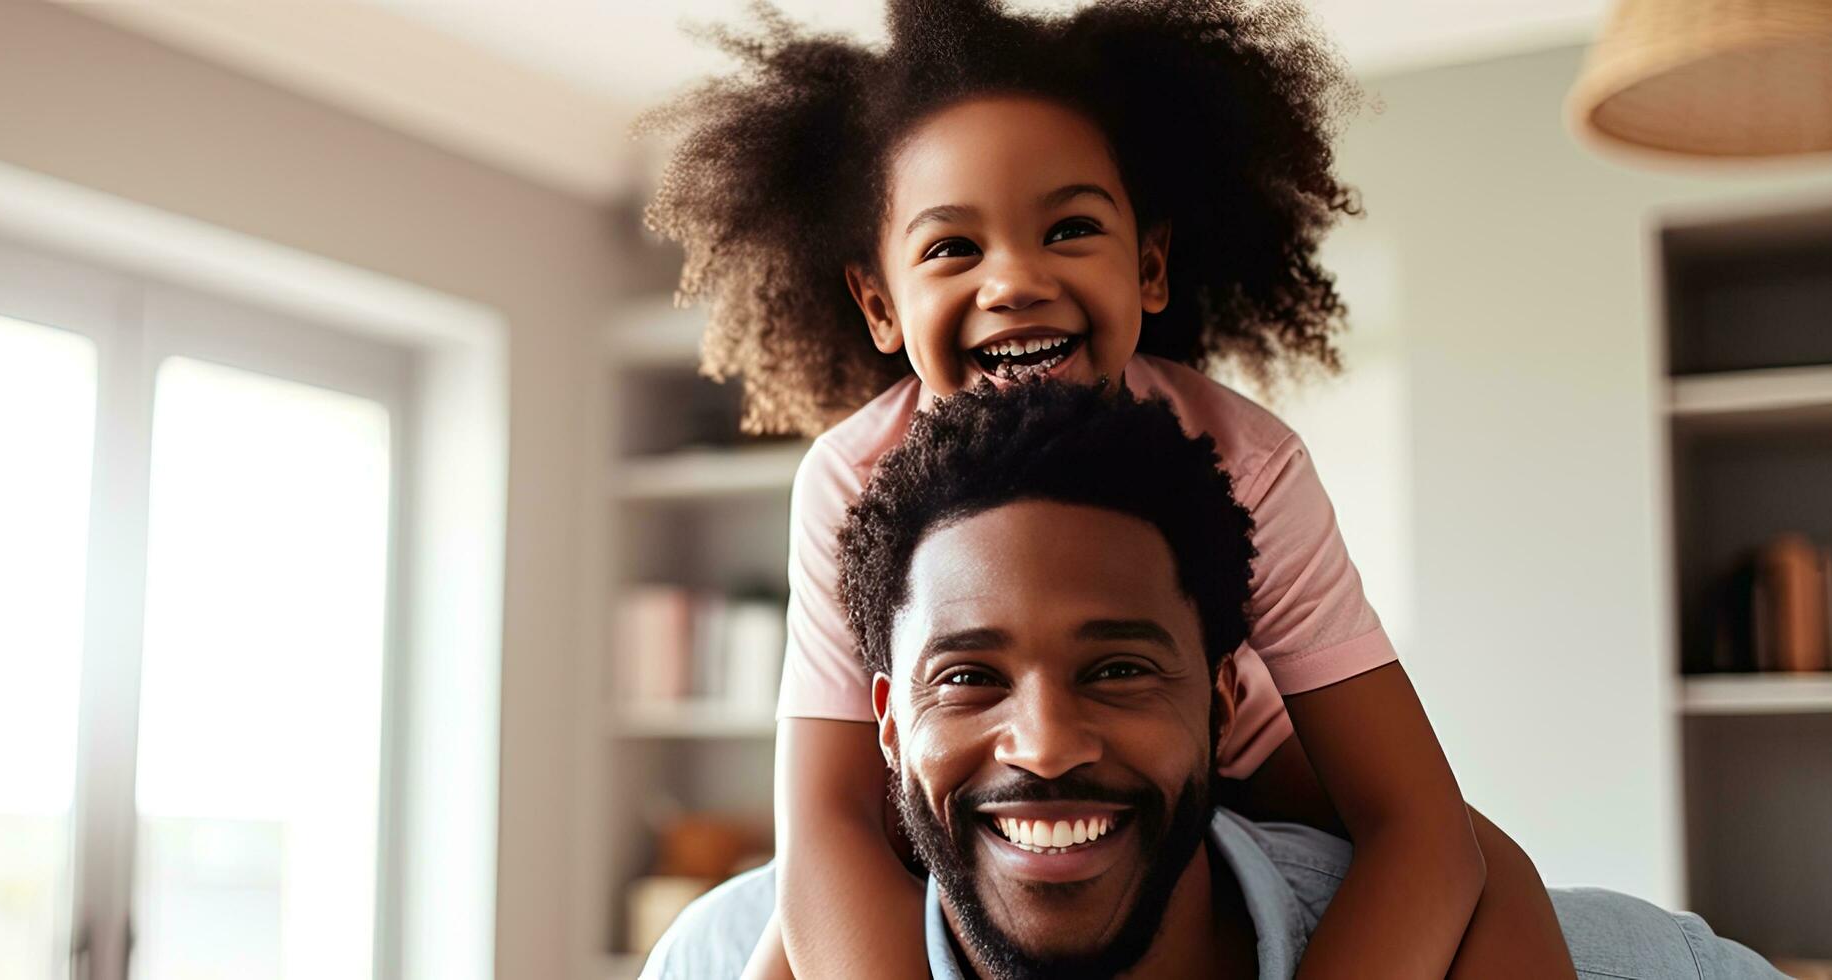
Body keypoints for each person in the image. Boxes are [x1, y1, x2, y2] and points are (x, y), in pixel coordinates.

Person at [642, 0, 1569, 974]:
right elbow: (827, 810)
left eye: (1069, 227)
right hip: (952, 768)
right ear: (878, 304)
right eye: (953, 247)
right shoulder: (847, 475)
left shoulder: (1249, 459)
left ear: (1149, 264)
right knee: (777, 937)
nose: (1013, 280)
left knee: (1481, 857)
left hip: (1232, 753)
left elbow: (1406, 813)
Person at [642, 380, 1780, 980]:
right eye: (969, 674)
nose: (1042, 740)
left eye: (1120, 666)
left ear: (1228, 695)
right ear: (882, 724)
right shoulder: (712, 957)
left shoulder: (1626, 968)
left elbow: (1432, 832)